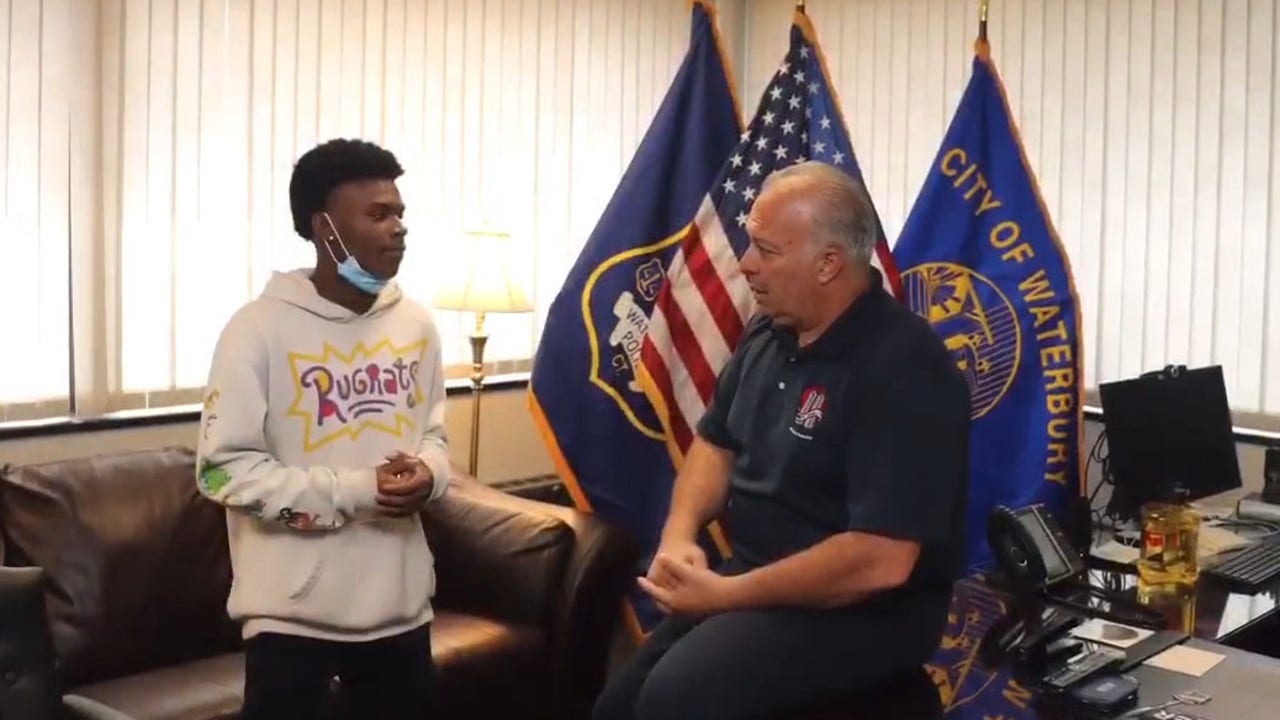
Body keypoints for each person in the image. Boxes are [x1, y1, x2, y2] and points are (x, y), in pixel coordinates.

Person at [592, 161, 971, 720]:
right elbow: (715, 445)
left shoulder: (906, 369)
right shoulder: (770, 332)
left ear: (828, 264)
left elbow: (879, 560)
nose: (745, 263)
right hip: (754, 576)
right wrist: (679, 534)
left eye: (766, 251)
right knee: (616, 708)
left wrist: (725, 596)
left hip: (865, 613)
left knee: (674, 701)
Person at [196, 138, 449, 719]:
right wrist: (357, 491)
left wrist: (430, 474)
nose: (398, 228)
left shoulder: (416, 326)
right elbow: (220, 472)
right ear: (324, 229)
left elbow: (433, 436)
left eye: (399, 213)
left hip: (403, 613)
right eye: (378, 215)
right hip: (291, 623)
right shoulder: (255, 330)